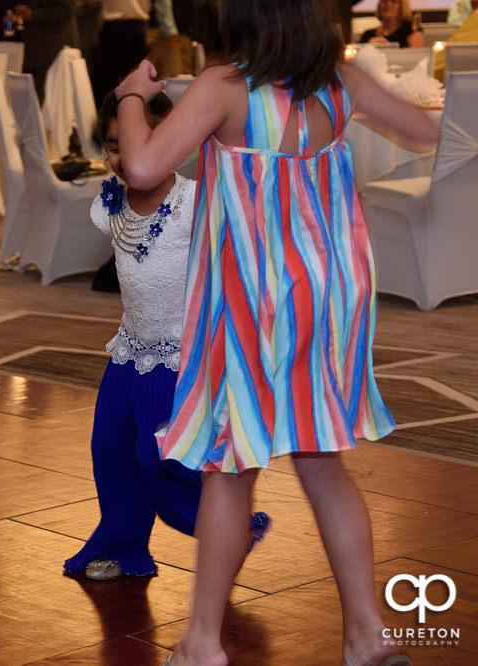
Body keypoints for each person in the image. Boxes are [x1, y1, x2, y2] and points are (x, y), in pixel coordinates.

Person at [113, 0, 438, 663]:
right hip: (330, 295)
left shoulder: (223, 86)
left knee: (230, 471)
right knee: (324, 463)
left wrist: (130, 99)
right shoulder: (341, 83)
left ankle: (202, 642)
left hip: (250, 301)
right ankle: (368, 634)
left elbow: (143, 169)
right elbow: (427, 131)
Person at [64, 91, 270, 581]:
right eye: (113, 145)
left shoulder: (195, 200)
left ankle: (228, 528)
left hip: (179, 356)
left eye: (137, 143)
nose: (123, 157)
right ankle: (124, 543)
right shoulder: (110, 202)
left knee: (158, 457)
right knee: (110, 449)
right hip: (129, 348)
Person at [14, 0, 80, 100]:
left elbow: (67, 9)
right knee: (36, 93)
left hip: (52, 47)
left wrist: (33, 14)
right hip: (36, 48)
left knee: (48, 96)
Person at [359, 0, 423, 48]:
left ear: (402, 7)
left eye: (394, 1)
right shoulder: (368, 35)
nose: (388, 4)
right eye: (384, 1)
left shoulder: (411, 30)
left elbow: (416, 56)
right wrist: (368, 47)